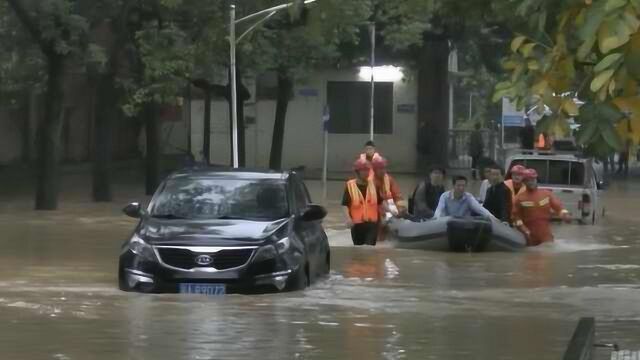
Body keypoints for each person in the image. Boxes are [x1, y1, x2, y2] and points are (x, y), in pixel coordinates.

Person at [512, 169, 570, 246]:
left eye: (533, 179)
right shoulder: (519, 198)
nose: (531, 182)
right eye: (528, 180)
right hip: (529, 235)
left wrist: (565, 214)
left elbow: (558, 207)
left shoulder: (546, 194)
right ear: (524, 182)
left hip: (545, 234)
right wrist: (524, 229)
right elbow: (516, 217)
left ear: (536, 179)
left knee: (548, 254)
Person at [342, 159, 382, 246]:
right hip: (356, 225)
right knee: (358, 250)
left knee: (369, 249)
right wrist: (348, 218)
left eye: (368, 170)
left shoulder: (375, 185)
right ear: (357, 172)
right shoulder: (350, 186)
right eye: (364, 170)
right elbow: (345, 205)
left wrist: (391, 213)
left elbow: (381, 203)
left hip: (372, 224)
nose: (366, 172)